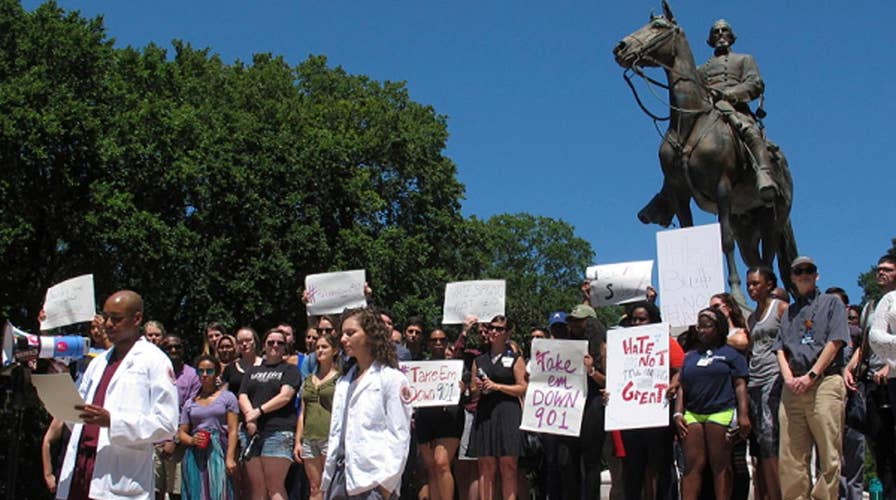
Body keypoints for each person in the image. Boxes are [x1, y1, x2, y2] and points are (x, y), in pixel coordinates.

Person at [55, 290, 180, 500]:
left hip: (120, 473)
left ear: (137, 319)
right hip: (81, 467)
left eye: (117, 319)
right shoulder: (97, 362)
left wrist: (113, 421)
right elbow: (78, 413)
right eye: (106, 317)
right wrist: (59, 404)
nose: (108, 324)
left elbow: (166, 423)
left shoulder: (154, 360)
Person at [774, 256, 850, 499]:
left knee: (829, 452)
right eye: (798, 271)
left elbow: (836, 341)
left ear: (817, 275)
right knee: (791, 455)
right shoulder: (789, 312)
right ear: (792, 278)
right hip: (793, 386)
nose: (804, 274)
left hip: (824, 382)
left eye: (809, 270)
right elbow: (779, 349)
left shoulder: (831, 303)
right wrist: (788, 378)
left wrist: (812, 374)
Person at [322, 307, 412, 498]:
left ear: (370, 335)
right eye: (342, 334)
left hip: (372, 480)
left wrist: (386, 486)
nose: (343, 339)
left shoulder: (391, 379)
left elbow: (400, 435)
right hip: (340, 478)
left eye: (351, 333)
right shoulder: (343, 382)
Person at [698, 19, 777, 204]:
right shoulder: (701, 70)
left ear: (731, 36)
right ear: (711, 39)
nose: (720, 34)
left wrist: (729, 94)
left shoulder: (744, 59)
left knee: (750, 131)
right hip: (708, 112)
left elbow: (755, 84)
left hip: (736, 109)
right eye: (715, 32)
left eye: (724, 30)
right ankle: (666, 198)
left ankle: (764, 174)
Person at [675, 307, 750, 500]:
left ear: (718, 328)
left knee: (721, 465)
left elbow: (740, 385)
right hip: (692, 414)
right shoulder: (690, 356)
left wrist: (743, 415)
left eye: (706, 326)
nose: (701, 330)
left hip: (721, 412)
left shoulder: (732, 354)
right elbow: (682, 386)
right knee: (692, 466)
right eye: (699, 326)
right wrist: (678, 413)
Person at [468, 315, 528, 500]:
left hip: (508, 412)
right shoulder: (479, 361)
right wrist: (476, 388)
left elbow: (522, 387)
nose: (493, 331)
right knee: (486, 467)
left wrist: (497, 386)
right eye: (491, 328)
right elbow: (472, 391)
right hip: (486, 413)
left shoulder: (515, 358)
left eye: (499, 329)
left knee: (508, 465)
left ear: (507, 333)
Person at [239, 328, 302, 500]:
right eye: (271, 342)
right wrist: (249, 416)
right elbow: (243, 394)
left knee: (274, 486)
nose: (275, 345)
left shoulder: (290, 370)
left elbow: (285, 396)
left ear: (285, 347)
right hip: (251, 433)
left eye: (280, 343)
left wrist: (258, 412)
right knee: (257, 487)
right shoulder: (252, 370)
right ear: (264, 346)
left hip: (278, 432)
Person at [744, 266, 788, 500]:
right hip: (755, 380)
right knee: (760, 442)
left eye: (756, 283)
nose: (751, 288)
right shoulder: (751, 318)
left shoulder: (780, 308)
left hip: (775, 377)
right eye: (748, 284)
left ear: (769, 285)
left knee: (772, 438)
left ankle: (779, 494)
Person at [178, 354, 239, 499]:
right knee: (196, 491)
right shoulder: (190, 402)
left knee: (220, 491)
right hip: (195, 453)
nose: (205, 375)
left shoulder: (228, 397)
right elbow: (182, 433)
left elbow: (233, 430)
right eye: (201, 371)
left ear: (216, 373)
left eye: (209, 371)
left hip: (219, 450)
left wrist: (230, 458)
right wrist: (192, 440)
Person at [416, 328, 464, 500]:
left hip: (449, 417)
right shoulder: (420, 366)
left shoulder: (457, 366)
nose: (438, 343)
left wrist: (463, 389)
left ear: (446, 343)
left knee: (442, 463)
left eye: (442, 340)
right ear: (428, 343)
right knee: (431, 466)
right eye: (434, 340)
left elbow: (472, 390)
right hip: (425, 418)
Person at [863, 254, 896, 498]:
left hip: (889, 371)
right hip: (881, 380)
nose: (881, 273)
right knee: (882, 445)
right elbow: (872, 338)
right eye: (879, 269)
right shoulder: (879, 303)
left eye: (888, 269)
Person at [294, 329, 341, 500]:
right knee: (314, 487)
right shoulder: (308, 380)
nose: (320, 350)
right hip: (309, 437)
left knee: (331, 487)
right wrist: (298, 441)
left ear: (334, 351)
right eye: (318, 347)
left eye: (325, 347)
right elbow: (302, 412)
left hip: (330, 437)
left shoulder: (340, 379)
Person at [156, 334, 201, 500]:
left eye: (177, 347)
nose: (173, 350)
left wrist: (173, 439)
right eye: (168, 347)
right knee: (153, 490)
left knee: (177, 492)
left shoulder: (192, 376)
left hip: (179, 443)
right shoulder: (155, 373)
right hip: (153, 440)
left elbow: (190, 411)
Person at [220, 326, 262, 498]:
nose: (244, 344)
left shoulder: (266, 365)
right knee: (238, 473)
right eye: (240, 342)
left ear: (256, 342)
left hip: (262, 424)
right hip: (236, 426)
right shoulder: (231, 369)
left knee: (258, 477)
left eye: (248, 340)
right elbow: (223, 397)